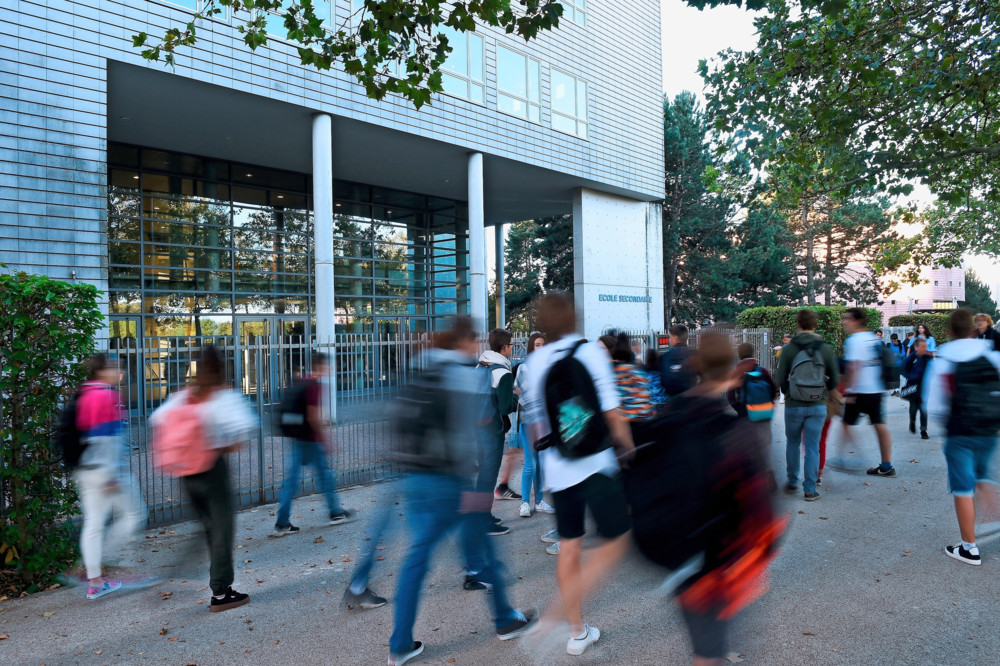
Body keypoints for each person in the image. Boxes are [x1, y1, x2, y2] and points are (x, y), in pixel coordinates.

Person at [626, 333, 783, 666]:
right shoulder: (737, 435)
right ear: (732, 375)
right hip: (716, 563)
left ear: (696, 368)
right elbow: (762, 513)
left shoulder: (667, 416)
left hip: (674, 550)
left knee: (705, 645)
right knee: (709, 651)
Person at [387, 317, 534, 665]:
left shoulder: (418, 373)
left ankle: (400, 643)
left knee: (416, 560)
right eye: (473, 343)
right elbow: (468, 429)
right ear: (463, 343)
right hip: (450, 481)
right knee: (485, 551)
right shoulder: (460, 376)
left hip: (417, 479)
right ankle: (505, 619)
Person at [522, 292, 635, 657]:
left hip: (558, 468)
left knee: (569, 547)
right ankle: (555, 615)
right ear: (574, 318)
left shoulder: (535, 361)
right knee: (617, 540)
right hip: (597, 463)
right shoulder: (590, 353)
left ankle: (576, 632)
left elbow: (536, 425)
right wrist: (627, 447)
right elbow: (613, 411)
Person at [150, 345, 256, 611]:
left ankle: (214, 582)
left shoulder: (183, 396)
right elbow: (243, 429)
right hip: (212, 470)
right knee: (222, 530)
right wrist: (224, 441)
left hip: (186, 473)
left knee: (208, 528)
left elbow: (157, 419)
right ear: (222, 369)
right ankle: (220, 593)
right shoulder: (222, 397)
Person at [924, 308, 1000, 566]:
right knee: (982, 476)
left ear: (949, 331)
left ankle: (969, 548)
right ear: (972, 328)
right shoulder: (991, 355)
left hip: (959, 431)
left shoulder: (944, 360)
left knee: (963, 488)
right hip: (988, 429)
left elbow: (935, 405)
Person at [73, 354, 146, 600]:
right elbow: (105, 437)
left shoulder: (84, 393)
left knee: (93, 524)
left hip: (86, 468)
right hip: (107, 470)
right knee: (135, 515)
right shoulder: (107, 395)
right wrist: (110, 474)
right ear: (101, 371)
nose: (119, 371)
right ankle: (102, 559)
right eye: (114, 367)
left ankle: (94, 580)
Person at [273, 353, 352, 537]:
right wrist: (326, 440)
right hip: (311, 439)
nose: (330, 368)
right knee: (325, 476)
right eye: (328, 365)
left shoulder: (302, 381)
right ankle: (335, 512)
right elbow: (313, 416)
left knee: (292, 481)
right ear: (321, 366)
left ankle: (282, 522)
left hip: (298, 437)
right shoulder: (315, 386)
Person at [774, 309, 839, 501]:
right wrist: (823, 392)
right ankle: (810, 489)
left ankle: (792, 481)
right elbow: (834, 378)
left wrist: (789, 392)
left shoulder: (789, 349)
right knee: (812, 446)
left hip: (794, 403)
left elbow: (780, 377)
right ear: (814, 325)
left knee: (793, 442)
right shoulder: (824, 348)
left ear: (798, 324)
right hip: (817, 403)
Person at [842, 307, 896, 477]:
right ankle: (887, 465)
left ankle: (853, 459)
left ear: (857, 320)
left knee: (846, 424)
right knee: (879, 424)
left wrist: (850, 391)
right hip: (876, 388)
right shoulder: (873, 338)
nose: (844, 322)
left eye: (847, 319)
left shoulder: (854, 340)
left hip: (860, 389)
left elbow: (854, 366)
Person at [477, 329, 517, 536]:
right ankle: (483, 521)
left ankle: (481, 515)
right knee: (489, 474)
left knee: (483, 473)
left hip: (479, 426)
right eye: (511, 345)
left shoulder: (482, 364)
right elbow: (505, 407)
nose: (512, 348)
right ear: (504, 347)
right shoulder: (503, 373)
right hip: (493, 429)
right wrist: (516, 397)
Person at [726, 342, 778, 451]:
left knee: (747, 445)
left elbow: (730, 395)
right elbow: (773, 390)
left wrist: (739, 408)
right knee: (765, 443)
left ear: (739, 355)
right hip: (763, 412)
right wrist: (767, 403)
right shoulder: (762, 371)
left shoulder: (737, 373)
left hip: (745, 414)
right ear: (753, 354)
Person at [612, 333, 656, 421]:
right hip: (647, 416)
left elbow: (616, 400)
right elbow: (648, 393)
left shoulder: (617, 371)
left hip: (629, 418)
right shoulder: (640, 370)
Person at [902, 338, 932, 440]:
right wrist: (910, 377)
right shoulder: (911, 357)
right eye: (923, 347)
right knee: (913, 408)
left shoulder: (928, 358)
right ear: (916, 347)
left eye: (926, 347)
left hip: (924, 386)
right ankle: (912, 421)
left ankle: (923, 430)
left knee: (923, 409)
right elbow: (903, 369)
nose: (925, 349)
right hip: (913, 386)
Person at [659, 324, 697, 399]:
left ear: (675, 338)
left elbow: (664, 381)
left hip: (672, 399)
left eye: (670, 337)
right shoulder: (695, 354)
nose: (669, 340)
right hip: (692, 398)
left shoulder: (666, 356)